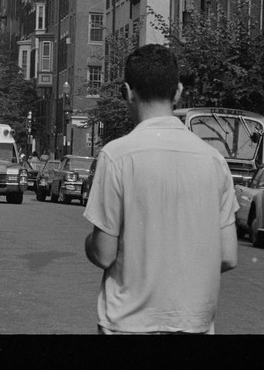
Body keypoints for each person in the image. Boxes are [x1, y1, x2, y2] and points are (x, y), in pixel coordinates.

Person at [83, 43, 238, 335]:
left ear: (127, 92)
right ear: (178, 92)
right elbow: (228, 255)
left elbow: (104, 254)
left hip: (128, 324)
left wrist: (88, 244)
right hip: (194, 324)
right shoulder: (214, 161)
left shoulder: (116, 156)